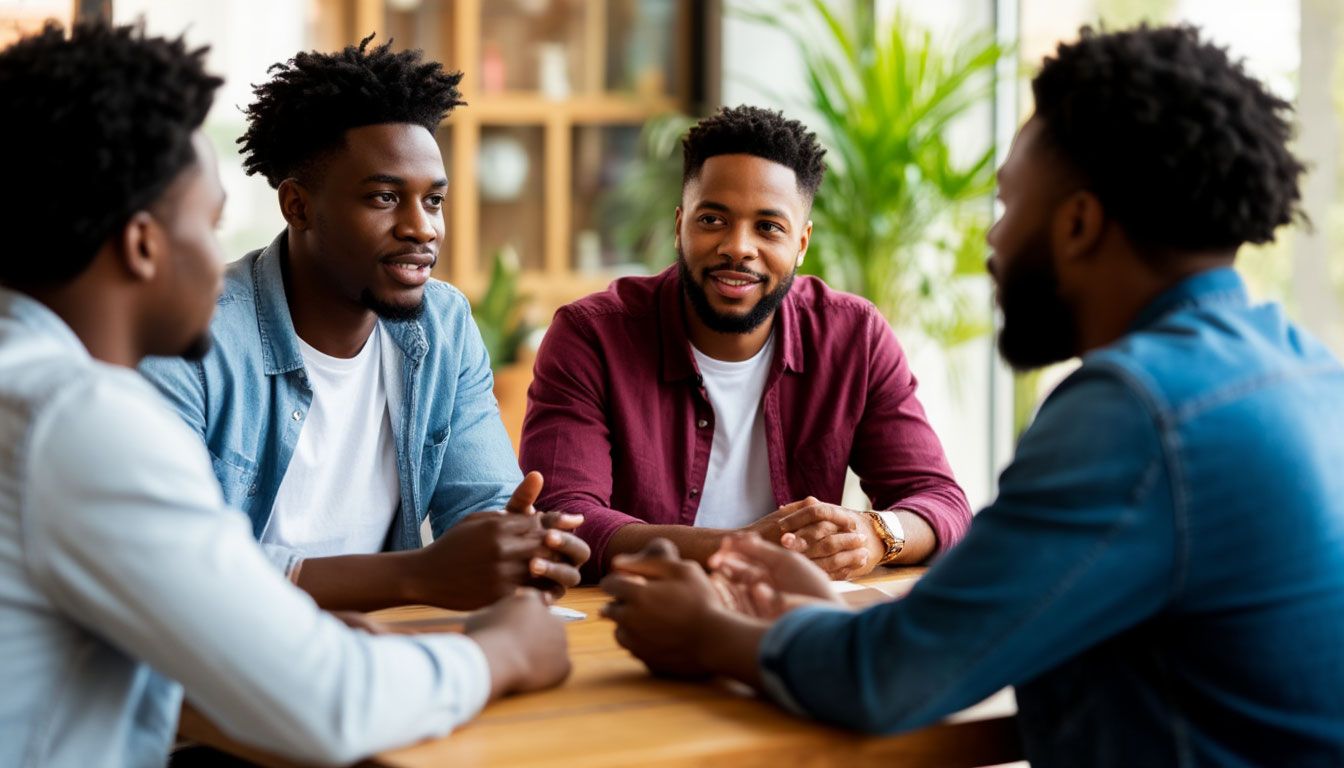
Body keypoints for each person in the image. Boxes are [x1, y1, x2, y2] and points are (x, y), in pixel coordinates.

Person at [599, 25, 1344, 767]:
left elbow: (889, 678)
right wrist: (818, 611)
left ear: (1078, 224)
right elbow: (954, 638)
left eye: (1008, 204)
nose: (992, 241)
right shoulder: (1309, 371)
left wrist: (705, 631)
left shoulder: (1134, 412)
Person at [0, 22, 571, 767]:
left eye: (433, 200)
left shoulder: (31, 386)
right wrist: (502, 653)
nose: (222, 256)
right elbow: (324, 705)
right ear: (143, 245)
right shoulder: (77, 422)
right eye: (206, 224)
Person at [141, 35, 588, 611]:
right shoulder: (190, 338)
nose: (422, 229)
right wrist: (416, 576)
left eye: (434, 201)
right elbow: (178, 562)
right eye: (384, 198)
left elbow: (482, 504)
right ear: (297, 206)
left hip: (384, 645)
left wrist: (521, 545)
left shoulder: (444, 324)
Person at [521, 106, 971, 580]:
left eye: (768, 227)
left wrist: (874, 535)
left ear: (802, 242)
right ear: (679, 226)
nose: (738, 246)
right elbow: (564, 520)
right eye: (713, 219)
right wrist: (743, 547)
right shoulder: (591, 336)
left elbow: (942, 503)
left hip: (794, 622)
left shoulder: (854, 336)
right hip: (637, 618)